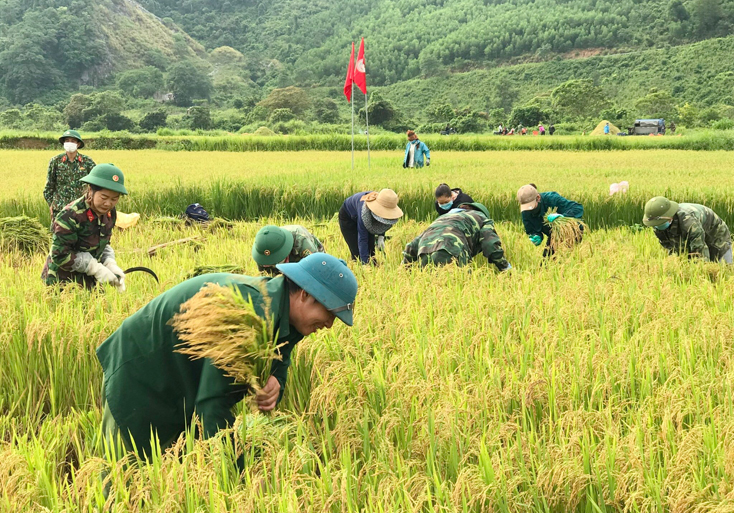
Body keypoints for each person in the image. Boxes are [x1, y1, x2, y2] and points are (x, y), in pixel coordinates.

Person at [97, 253, 358, 459]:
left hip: (182, 375)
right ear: (305, 295)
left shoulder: (282, 309)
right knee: (128, 473)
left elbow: (284, 346)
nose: (329, 325)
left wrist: (277, 378)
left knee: (175, 461)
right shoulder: (251, 317)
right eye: (330, 314)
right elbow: (213, 406)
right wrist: (238, 476)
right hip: (140, 372)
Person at [41, 164, 128, 289]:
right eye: (104, 197)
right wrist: (94, 267)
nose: (108, 203)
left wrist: (110, 263)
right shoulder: (70, 215)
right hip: (61, 282)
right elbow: (59, 255)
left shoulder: (110, 213)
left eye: (114, 199)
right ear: (90, 190)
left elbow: (104, 243)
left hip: (89, 282)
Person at [402, 202, 511, 271]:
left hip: (424, 252)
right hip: (453, 251)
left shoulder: (443, 218)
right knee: (459, 293)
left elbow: (412, 245)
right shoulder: (481, 217)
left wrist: (404, 269)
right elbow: (490, 244)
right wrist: (505, 267)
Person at [642, 196, 732, 263]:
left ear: (670, 218)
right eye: (656, 224)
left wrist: (702, 270)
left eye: (661, 223)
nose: (657, 227)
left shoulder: (688, 221)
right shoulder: (656, 224)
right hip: (693, 231)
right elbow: (670, 247)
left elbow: (699, 250)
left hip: (715, 234)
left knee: (723, 265)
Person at [44, 130, 96, 223]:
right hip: (60, 208)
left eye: (72, 141)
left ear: (78, 144)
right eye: (67, 140)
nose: (69, 143)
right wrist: (51, 205)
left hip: (81, 208)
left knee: (82, 236)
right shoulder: (55, 161)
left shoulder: (87, 162)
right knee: (59, 235)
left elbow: (95, 183)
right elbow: (49, 187)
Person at [517, 184, 584, 257]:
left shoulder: (551, 199)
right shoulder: (525, 211)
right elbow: (531, 229)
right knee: (546, 263)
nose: (529, 210)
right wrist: (536, 236)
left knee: (567, 258)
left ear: (538, 198)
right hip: (553, 235)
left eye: (530, 206)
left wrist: (562, 216)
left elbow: (578, 208)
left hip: (571, 231)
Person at [339, 189, 403, 264]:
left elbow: (383, 221)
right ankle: (360, 269)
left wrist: (381, 236)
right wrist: (365, 265)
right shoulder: (364, 212)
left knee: (371, 253)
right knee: (358, 254)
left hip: (362, 214)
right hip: (348, 217)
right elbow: (362, 238)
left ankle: (374, 268)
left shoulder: (385, 200)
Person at [252, 224, 325, 274]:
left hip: (304, 256)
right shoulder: (262, 249)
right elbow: (264, 276)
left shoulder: (301, 240)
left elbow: (316, 266)